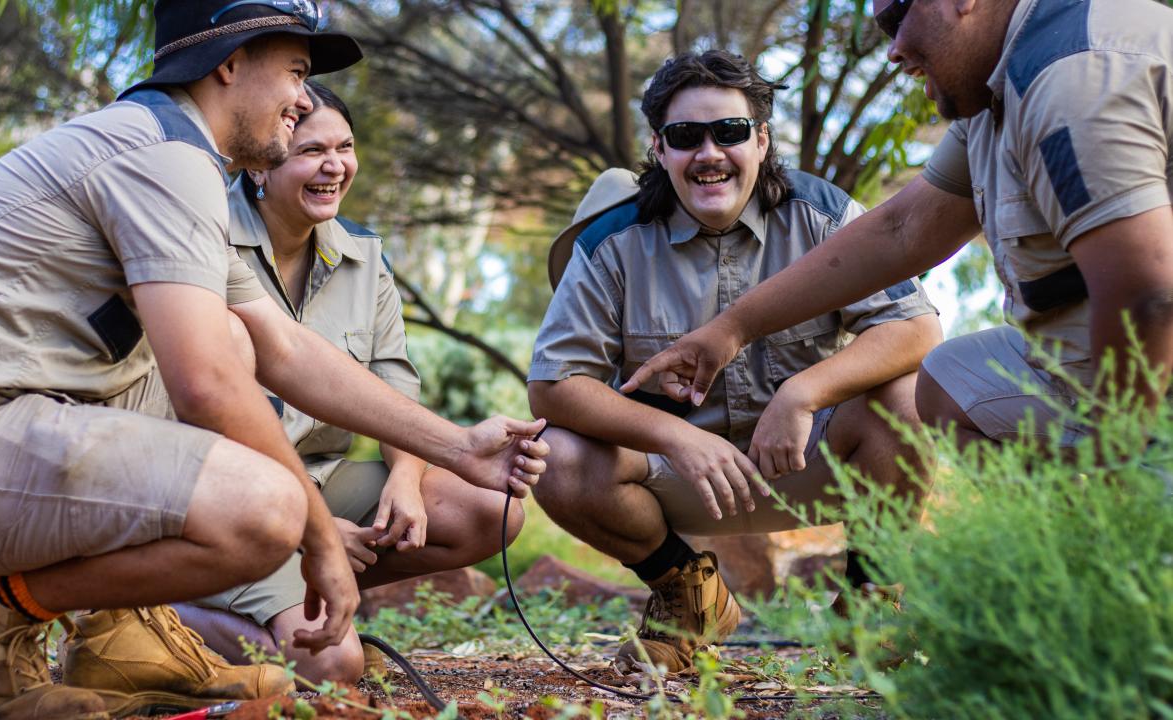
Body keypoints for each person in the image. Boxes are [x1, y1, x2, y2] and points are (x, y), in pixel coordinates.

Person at [0, 1, 547, 718]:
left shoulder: (169, 149)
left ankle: (121, 637)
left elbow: (282, 349)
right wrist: (318, 536)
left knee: (231, 336)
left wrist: (459, 447)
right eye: (295, 72)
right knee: (265, 507)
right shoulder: (164, 157)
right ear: (228, 63)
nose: (302, 100)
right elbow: (203, 387)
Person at [528, 50, 942, 674]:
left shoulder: (821, 212)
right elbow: (554, 384)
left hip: (809, 458)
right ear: (659, 149)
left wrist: (802, 394)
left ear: (763, 139)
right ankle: (686, 597)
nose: (709, 152)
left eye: (730, 131)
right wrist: (674, 435)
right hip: (680, 478)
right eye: (685, 136)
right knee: (555, 456)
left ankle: (870, 603)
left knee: (908, 396)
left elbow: (917, 328)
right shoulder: (610, 241)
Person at [624, 0, 1173, 448]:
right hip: (1097, 358)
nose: (892, 50)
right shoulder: (998, 86)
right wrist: (730, 329)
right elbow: (902, 230)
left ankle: (1113, 542)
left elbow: (1149, 296)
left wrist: (1115, 457)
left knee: (1129, 512)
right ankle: (1062, 548)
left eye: (895, 18)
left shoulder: (1070, 80)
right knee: (954, 382)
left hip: (1151, 373)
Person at [170, 81, 526, 683]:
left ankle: (303, 592)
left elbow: (394, 383)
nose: (334, 166)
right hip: (215, 501)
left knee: (487, 508)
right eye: (311, 151)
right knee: (334, 667)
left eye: (345, 147)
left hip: (322, 479)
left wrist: (408, 480)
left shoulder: (363, 255)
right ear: (262, 165)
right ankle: (157, 608)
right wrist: (312, 529)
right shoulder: (202, 238)